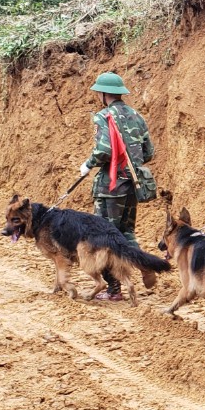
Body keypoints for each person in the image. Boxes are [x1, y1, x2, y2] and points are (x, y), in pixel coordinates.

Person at [78, 72, 154, 301]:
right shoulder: (136, 115)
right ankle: (142, 262)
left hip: (110, 187)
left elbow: (103, 150)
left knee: (105, 237)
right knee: (126, 231)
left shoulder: (104, 116)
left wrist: (88, 164)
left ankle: (114, 290)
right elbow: (148, 152)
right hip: (133, 183)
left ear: (103, 94)